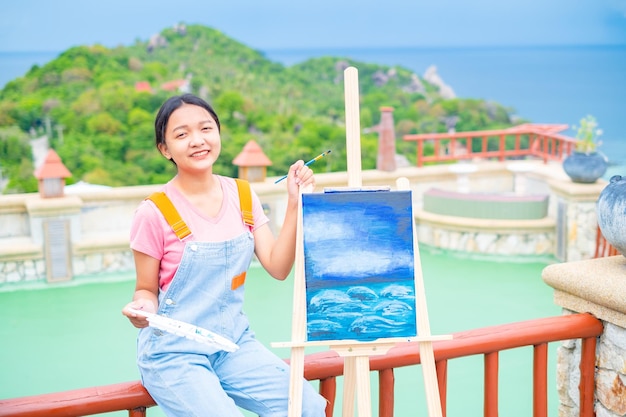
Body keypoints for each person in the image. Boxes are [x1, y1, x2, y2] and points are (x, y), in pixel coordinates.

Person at [122, 93, 327, 416]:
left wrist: (294, 203)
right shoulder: (153, 212)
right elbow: (146, 289)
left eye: (206, 129)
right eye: (181, 134)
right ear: (164, 149)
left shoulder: (243, 195)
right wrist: (142, 309)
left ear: (218, 133)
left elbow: (277, 266)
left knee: (306, 406)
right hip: (174, 353)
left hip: (232, 344)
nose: (197, 140)